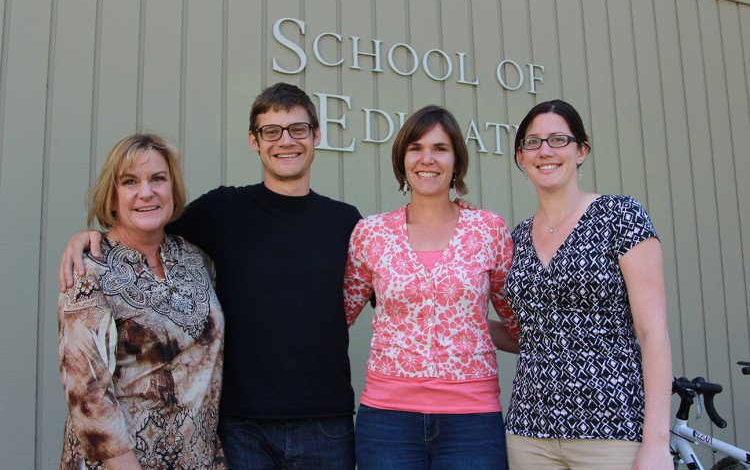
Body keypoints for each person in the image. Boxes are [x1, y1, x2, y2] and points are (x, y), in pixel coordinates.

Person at [58, 83, 360, 469]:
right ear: (254, 140)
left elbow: (399, 285)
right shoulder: (223, 210)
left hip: (323, 424)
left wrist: (456, 217)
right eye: (271, 131)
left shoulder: (347, 222)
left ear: (316, 135)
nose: (286, 141)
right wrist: (92, 237)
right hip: (241, 428)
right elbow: (144, 224)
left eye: (298, 129)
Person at [343, 105, 520, 469]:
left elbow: (518, 326)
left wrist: (465, 323)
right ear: (402, 161)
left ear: (457, 161)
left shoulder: (488, 229)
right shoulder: (371, 233)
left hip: (471, 419)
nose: (428, 159)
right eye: (416, 148)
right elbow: (338, 316)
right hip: (388, 420)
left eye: (440, 148)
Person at [503, 99, 673, 469]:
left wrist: (657, 442)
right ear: (521, 157)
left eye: (558, 140)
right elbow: (528, 335)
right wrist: (453, 320)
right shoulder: (516, 239)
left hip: (610, 428)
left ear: (581, 152)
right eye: (533, 142)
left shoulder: (620, 216)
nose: (545, 151)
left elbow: (652, 332)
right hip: (528, 431)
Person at [58, 134, 226, 469]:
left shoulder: (195, 257)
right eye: (130, 181)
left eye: (158, 179)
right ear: (113, 196)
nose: (146, 192)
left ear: (173, 190)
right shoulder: (89, 266)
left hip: (198, 458)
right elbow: (87, 395)